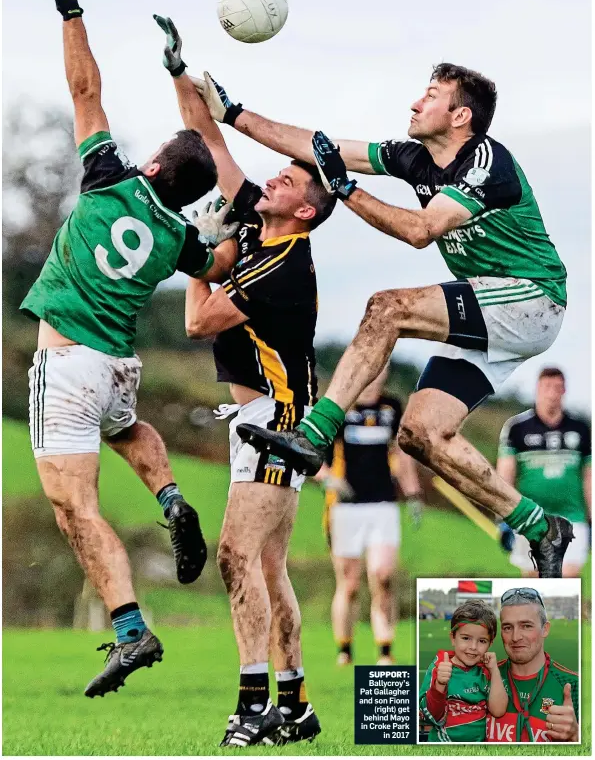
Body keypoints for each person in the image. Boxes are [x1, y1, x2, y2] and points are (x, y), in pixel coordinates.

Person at [199, 65, 575, 578]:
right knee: (420, 434)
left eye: (431, 96)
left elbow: (421, 230)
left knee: (388, 307)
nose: (416, 104)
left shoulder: (487, 162)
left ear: (461, 116)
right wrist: (232, 114)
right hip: (489, 309)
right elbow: (320, 147)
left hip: (531, 299)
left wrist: (347, 190)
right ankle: (540, 527)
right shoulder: (413, 157)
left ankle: (315, 433)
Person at [23, 0, 221, 697]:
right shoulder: (178, 239)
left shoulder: (110, 175)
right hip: (115, 369)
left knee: (74, 507)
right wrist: (224, 223)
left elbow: (84, 91)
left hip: (69, 363)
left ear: (153, 161)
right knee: (127, 427)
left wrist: (70, 11)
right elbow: (218, 256)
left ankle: (131, 630)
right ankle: (171, 497)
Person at [153, 17, 337, 746]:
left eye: (287, 179)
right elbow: (213, 143)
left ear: (304, 210)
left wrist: (197, 253)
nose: (272, 180)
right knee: (266, 563)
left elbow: (200, 323)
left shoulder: (280, 268)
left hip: (275, 419)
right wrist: (178, 72)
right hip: (272, 416)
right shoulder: (263, 226)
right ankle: (292, 704)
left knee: (235, 556)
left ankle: (254, 704)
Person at [317, 365, 422, 666]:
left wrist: (412, 493)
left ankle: (385, 650)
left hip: (383, 505)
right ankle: (344, 649)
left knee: (383, 575)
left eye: (380, 369)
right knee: (349, 585)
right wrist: (328, 479)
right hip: (345, 507)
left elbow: (401, 454)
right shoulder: (338, 406)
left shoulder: (392, 407)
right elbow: (312, 454)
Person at [498, 368, 591, 578]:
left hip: (572, 517)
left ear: (564, 391)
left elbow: (589, 476)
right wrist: (503, 516)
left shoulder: (581, 428)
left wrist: (592, 518)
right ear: (538, 389)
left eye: (557, 388)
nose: (552, 393)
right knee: (533, 582)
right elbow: (505, 473)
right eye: (547, 387)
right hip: (529, 518)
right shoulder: (517, 427)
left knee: (567, 581)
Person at [487, 588, 579, 743]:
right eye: (508, 627)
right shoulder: (484, 676)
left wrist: (577, 737)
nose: (515, 637)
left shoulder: (574, 685)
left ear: (545, 629)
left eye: (526, 626)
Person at [419, 599, 508, 742]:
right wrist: (439, 685)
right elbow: (430, 716)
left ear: (490, 643)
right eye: (466, 638)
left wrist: (494, 670)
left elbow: (498, 710)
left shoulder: (486, 670)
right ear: (453, 638)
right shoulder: (440, 666)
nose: (473, 647)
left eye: (482, 641)